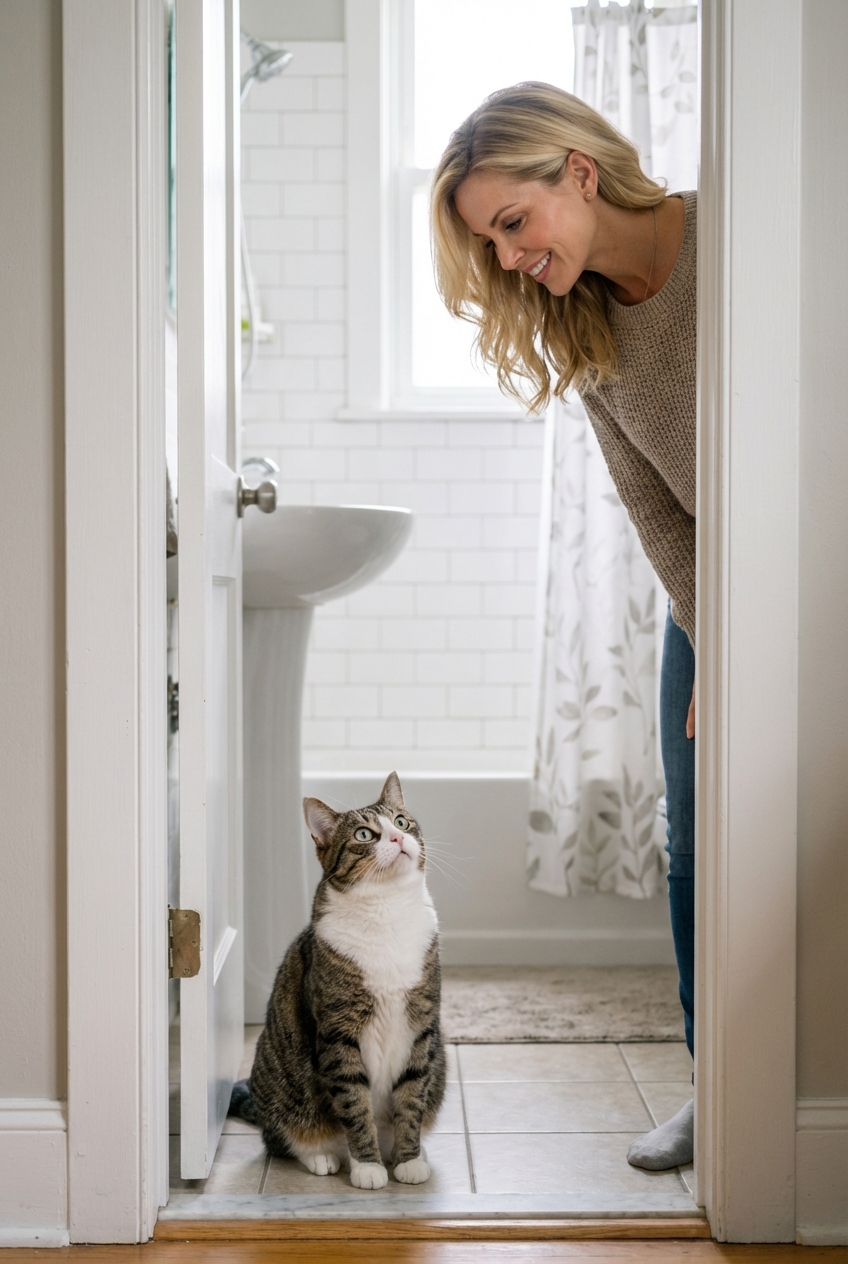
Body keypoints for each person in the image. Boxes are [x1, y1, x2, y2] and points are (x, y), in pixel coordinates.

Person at [431, 82, 696, 1171]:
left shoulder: (739, 232)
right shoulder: (582, 319)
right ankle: (718, 1078)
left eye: (508, 225)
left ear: (576, 172)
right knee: (701, 841)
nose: (503, 260)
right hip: (714, 594)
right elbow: (656, 511)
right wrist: (718, 648)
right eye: (487, 241)